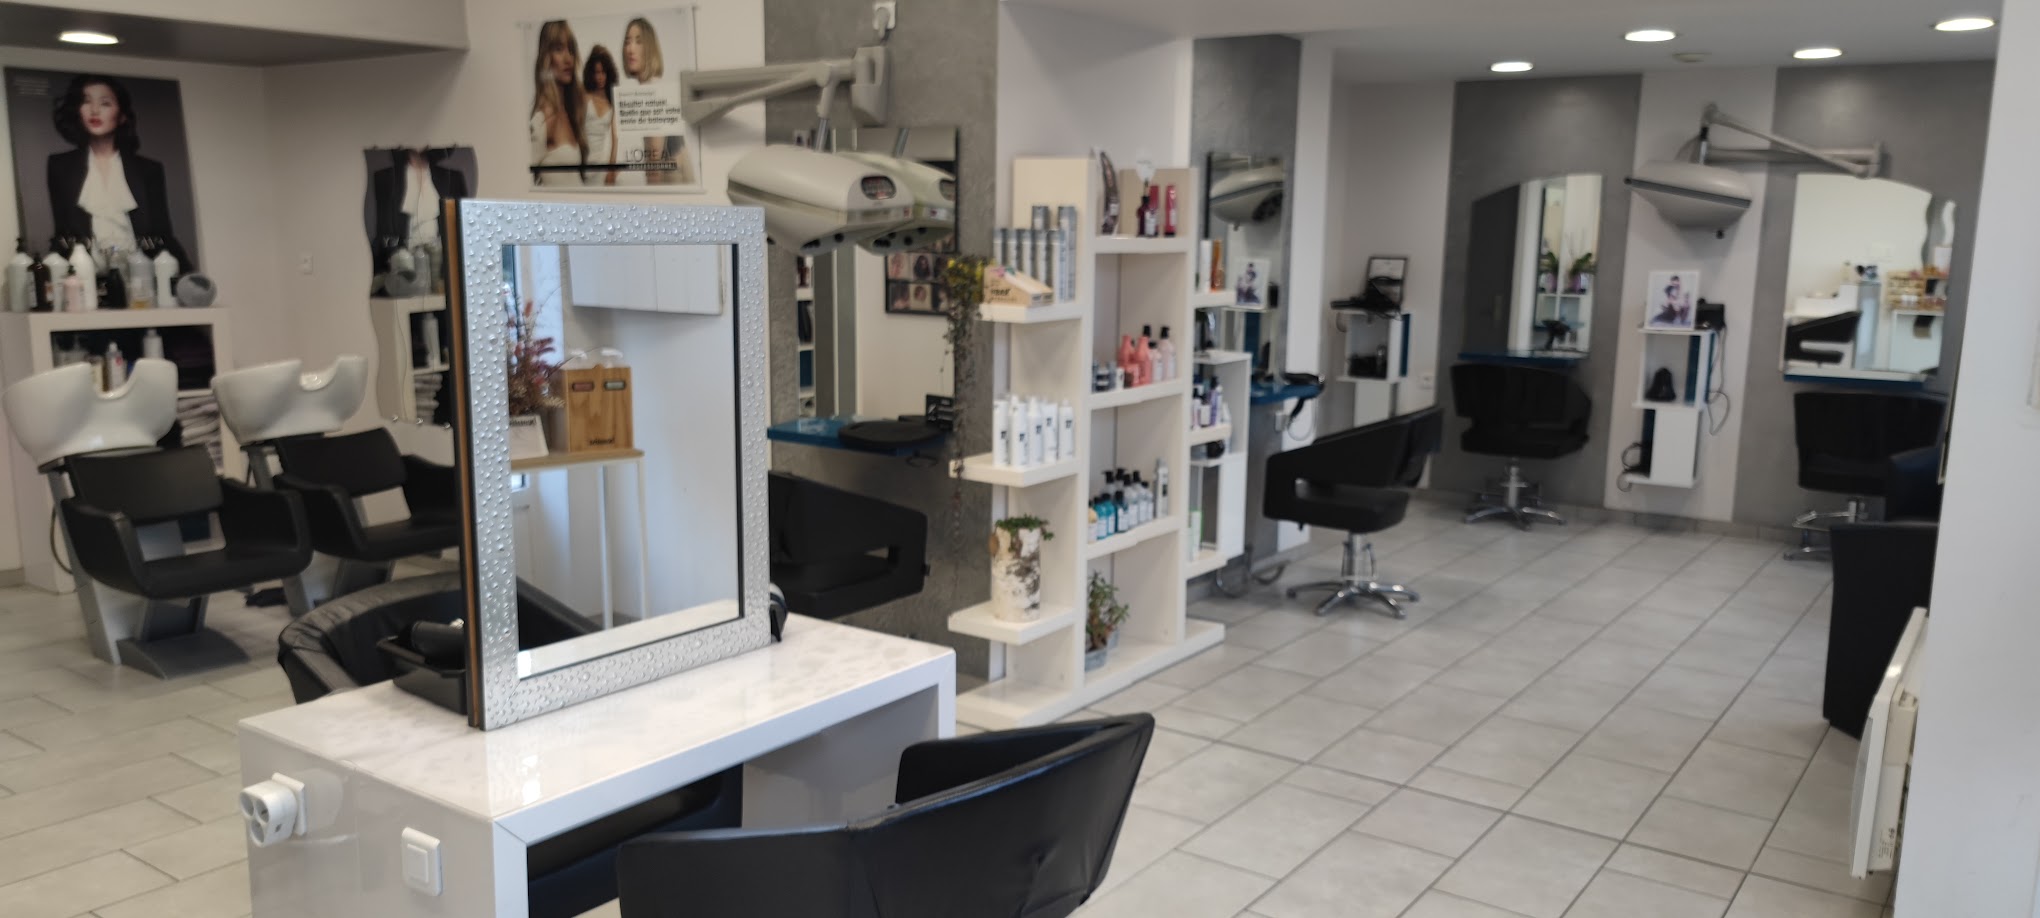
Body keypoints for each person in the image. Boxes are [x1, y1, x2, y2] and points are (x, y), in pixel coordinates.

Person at [45, 73, 192, 270]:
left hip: (142, 272)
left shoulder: (148, 170)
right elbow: (62, 235)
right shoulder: (60, 166)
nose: (94, 110)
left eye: (105, 103)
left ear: (122, 115)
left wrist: (189, 278)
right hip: (84, 275)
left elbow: (162, 235)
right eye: (86, 101)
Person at [369, 148, 470, 294]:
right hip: (404, 261)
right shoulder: (385, 177)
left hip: (440, 262)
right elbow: (384, 229)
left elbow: (463, 230)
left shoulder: (452, 178)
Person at [529, 20, 586, 187]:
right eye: (559, 49)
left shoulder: (569, 112)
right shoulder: (544, 117)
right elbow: (523, 181)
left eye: (571, 50)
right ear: (546, 57)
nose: (568, 59)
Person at [582, 46, 622, 186]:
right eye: (596, 72)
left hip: (602, 163)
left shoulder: (613, 103)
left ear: (609, 73)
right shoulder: (585, 97)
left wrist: (611, 170)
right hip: (582, 162)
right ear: (591, 74)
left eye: (603, 72)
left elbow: (615, 139)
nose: (600, 77)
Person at [622, 17, 664, 85]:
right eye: (627, 42)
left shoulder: (658, 87)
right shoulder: (640, 87)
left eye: (639, 42)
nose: (631, 50)